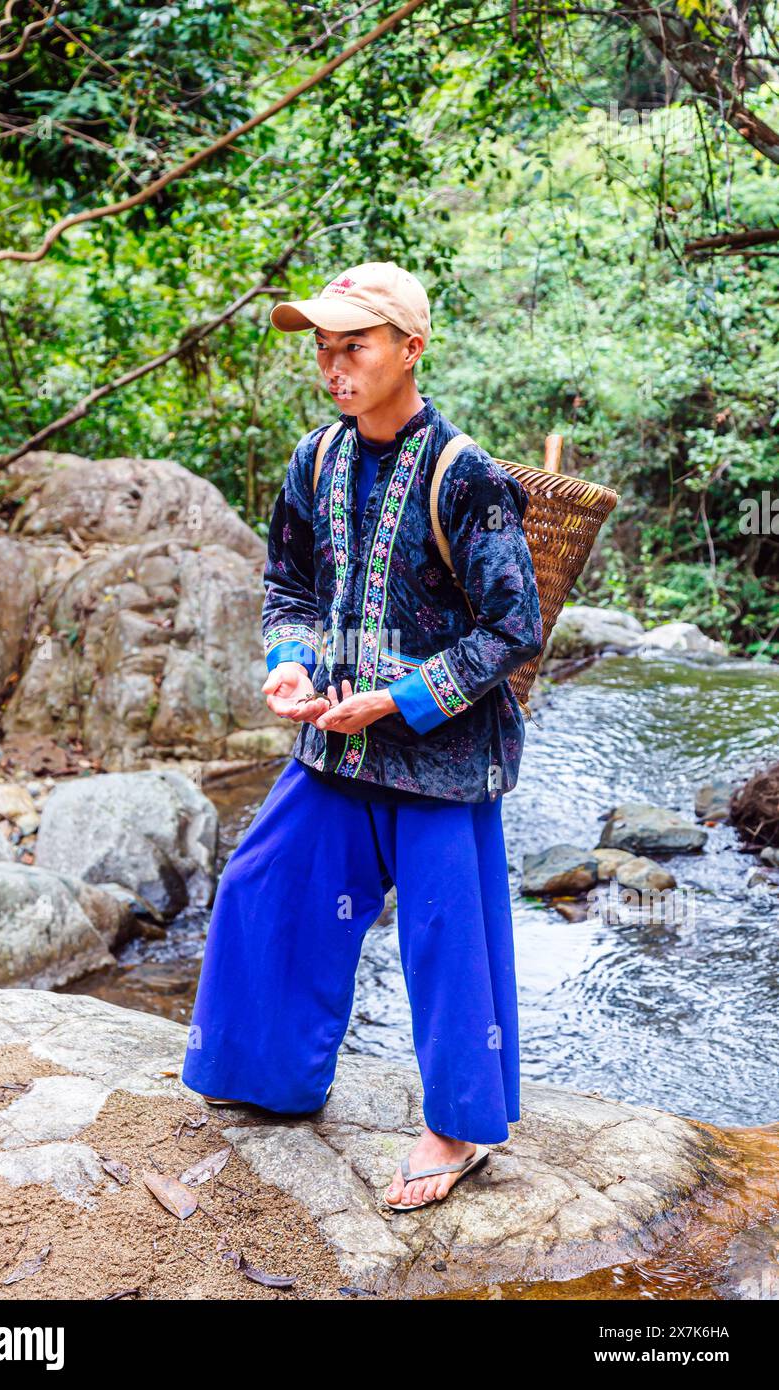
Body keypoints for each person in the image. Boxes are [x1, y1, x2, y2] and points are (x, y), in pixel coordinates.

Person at [182, 260, 543, 1212]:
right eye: (322, 346)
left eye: (356, 344)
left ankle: (457, 1132)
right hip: (334, 748)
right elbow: (289, 587)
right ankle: (267, 1075)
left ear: (411, 349)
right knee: (266, 885)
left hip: (440, 759)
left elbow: (514, 628)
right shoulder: (316, 459)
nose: (333, 364)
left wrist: (398, 698)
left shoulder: (468, 477)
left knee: (445, 940)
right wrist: (291, 661)